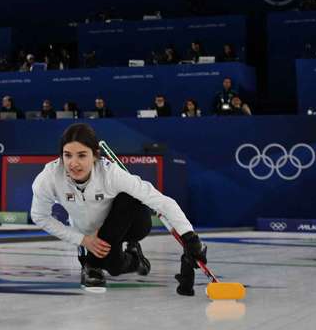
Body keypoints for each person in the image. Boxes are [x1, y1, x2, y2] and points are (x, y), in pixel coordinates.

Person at [30, 123, 206, 293]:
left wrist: (190, 238)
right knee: (114, 267)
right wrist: (82, 239)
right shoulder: (49, 177)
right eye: (67, 155)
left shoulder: (111, 174)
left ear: (95, 155)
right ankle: (135, 259)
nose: (73, 163)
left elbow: (159, 200)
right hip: (88, 234)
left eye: (82, 155)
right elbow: (39, 216)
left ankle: (94, 264)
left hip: (130, 224)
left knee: (130, 196)